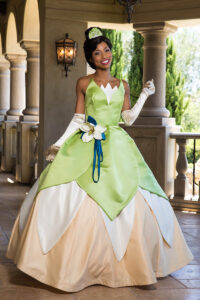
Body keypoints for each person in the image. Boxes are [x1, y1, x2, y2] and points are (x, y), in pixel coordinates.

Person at [7, 27, 193, 292]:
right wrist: (59, 144)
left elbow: (127, 119)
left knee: (136, 191)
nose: (104, 55)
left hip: (117, 143)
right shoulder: (84, 83)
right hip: (87, 140)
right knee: (61, 189)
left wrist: (144, 96)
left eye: (107, 50)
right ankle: (69, 265)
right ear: (90, 57)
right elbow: (78, 119)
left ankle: (131, 265)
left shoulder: (123, 85)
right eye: (97, 52)